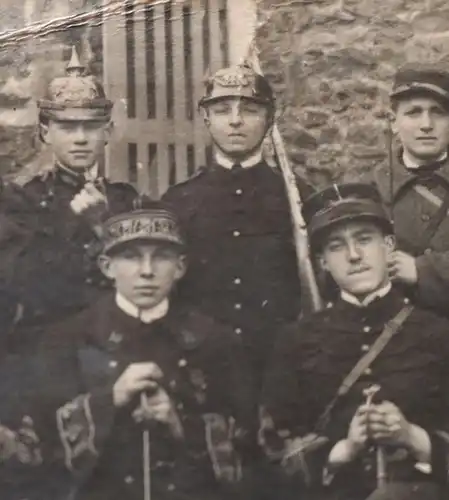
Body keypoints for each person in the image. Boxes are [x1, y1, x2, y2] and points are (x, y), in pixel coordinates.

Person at [0, 198, 253, 500]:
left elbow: (250, 450)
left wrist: (181, 423)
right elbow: (37, 448)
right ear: (107, 267)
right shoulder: (66, 339)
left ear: (180, 267)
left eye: (161, 257)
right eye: (131, 257)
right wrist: (109, 400)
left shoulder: (215, 340)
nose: (146, 271)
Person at [261, 182, 449, 500]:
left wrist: (415, 438)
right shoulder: (296, 341)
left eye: (364, 240)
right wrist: (341, 451)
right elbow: (271, 453)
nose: (353, 255)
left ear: (389, 246)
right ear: (321, 262)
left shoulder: (439, 334)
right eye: (336, 246)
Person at [162, 63, 313, 389]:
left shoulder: (298, 198)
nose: (235, 120)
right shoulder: (178, 201)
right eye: (221, 110)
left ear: (269, 118)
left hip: (279, 367)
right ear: (206, 118)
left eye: (249, 109)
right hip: (202, 368)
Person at [0, 46, 136, 353]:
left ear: (108, 131)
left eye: (90, 127)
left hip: (115, 349)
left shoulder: (128, 201)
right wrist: (72, 223)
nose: (79, 138)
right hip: (48, 353)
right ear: (46, 133)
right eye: (67, 127)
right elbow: (22, 287)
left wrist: (104, 227)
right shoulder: (22, 202)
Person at [362, 65, 449, 317]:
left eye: (439, 113)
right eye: (413, 113)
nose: (426, 125)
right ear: (393, 122)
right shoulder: (369, 188)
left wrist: (422, 271)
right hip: (393, 342)